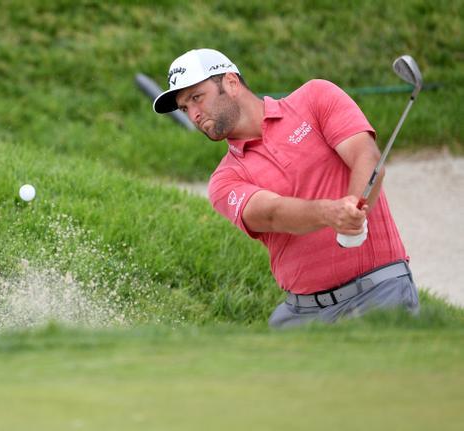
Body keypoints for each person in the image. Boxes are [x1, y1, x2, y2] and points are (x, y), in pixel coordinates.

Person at [152, 48, 420, 328]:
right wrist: (330, 213)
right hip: (303, 315)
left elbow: (365, 156)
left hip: (380, 293)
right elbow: (271, 213)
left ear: (231, 83)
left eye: (197, 98)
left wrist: (353, 206)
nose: (193, 114)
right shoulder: (224, 180)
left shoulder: (315, 98)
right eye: (185, 108)